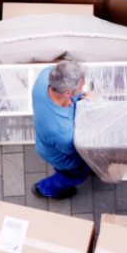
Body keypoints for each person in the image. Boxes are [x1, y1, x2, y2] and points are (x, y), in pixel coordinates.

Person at [31, 61, 97, 199]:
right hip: (64, 158)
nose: (84, 87)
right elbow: (77, 148)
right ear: (67, 92)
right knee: (74, 176)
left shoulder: (47, 75)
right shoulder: (63, 133)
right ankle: (45, 189)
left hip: (46, 141)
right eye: (82, 86)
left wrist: (83, 97)